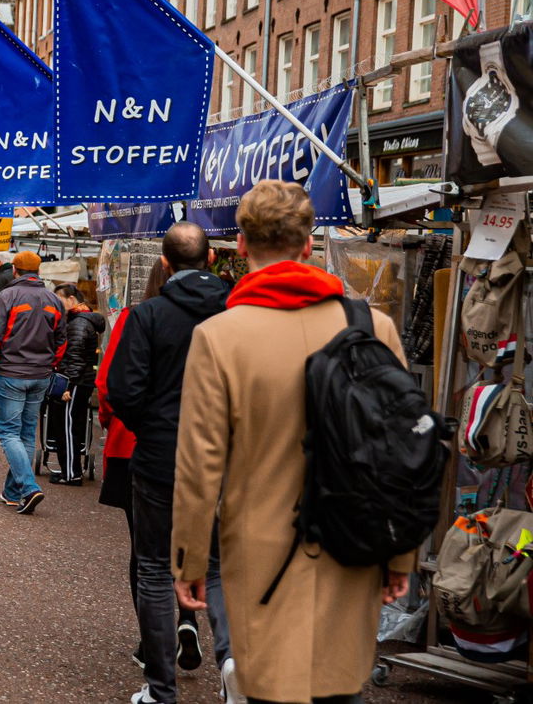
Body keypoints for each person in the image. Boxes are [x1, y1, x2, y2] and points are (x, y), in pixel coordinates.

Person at [173, 181, 411, 704]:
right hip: (354, 543)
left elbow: (199, 465)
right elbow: (403, 452)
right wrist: (402, 555)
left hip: (264, 554)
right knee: (339, 686)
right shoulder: (375, 326)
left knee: (270, 691)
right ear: (308, 244)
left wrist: (189, 561)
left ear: (240, 244)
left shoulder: (220, 336)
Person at [110, 222, 235, 704]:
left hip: (163, 459)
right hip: (226, 458)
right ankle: (232, 667)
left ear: (164, 264)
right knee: (222, 568)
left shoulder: (149, 315)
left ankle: (162, 690)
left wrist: (156, 427)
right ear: (212, 260)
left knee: (156, 568)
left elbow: (124, 390)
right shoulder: (236, 312)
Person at [97, 260, 203, 670]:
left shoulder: (137, 315)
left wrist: (115, 422)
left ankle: (150, 641)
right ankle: (188, 620)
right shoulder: (221, 316)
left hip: (136, 445)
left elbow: (110, 383)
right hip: (199, 447)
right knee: (190, 541)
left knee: (144, 550)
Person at [0, 251, 68, 515]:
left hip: (10, 373)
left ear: (15, 271)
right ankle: (13, 492)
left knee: (8, 432)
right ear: (38, 272)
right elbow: (61, 341)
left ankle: (28, 487)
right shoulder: (54, 299)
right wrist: (49, 365)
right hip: (40, 374)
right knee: (26, 433)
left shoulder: (7, 296)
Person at [51, 284, 105, 486]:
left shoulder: (78, 324)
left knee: (68, 426)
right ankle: (71, 471)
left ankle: (71, 473)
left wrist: (67, 386)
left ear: (71, 299)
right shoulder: (82, 320)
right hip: (80, 382)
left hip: (74, 383)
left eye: (59, 299)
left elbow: (75, 358)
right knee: (73, 425)